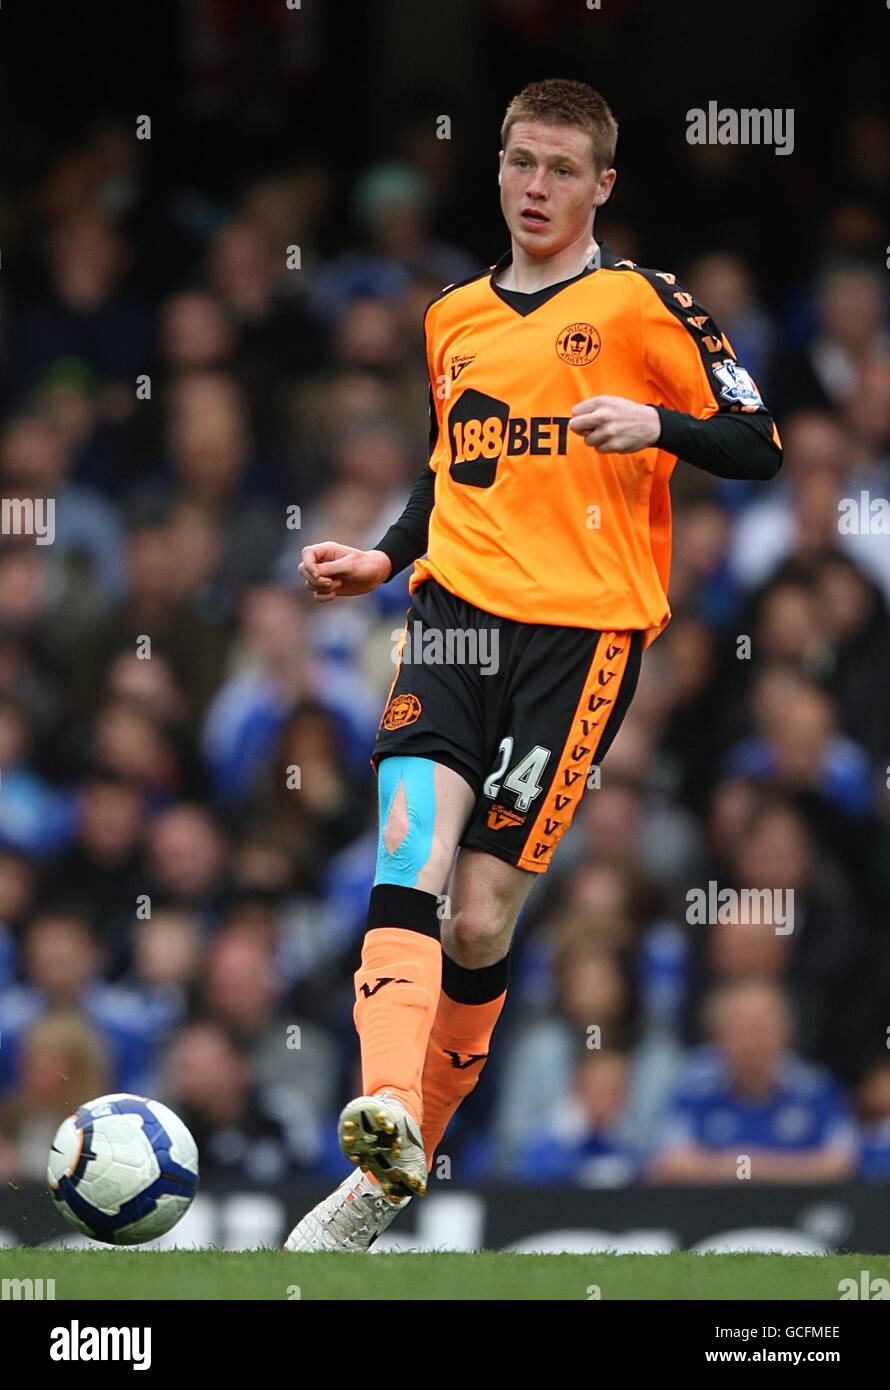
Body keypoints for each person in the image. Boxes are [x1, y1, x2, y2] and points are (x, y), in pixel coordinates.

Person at [287, 78, 782, 1251]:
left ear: (601, 185)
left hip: (581, 639)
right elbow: (456, 458)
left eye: (562, 170)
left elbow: (756, 440)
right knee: (406, 835)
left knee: (478, 919)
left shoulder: (639, 304)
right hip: (452, 614)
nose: (535, 188)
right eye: (519, 163)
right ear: (496, 167)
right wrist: (383, 554)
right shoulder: (450, 313)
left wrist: (657, 425)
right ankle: (385, 1122)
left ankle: (403, 1159)